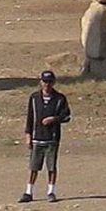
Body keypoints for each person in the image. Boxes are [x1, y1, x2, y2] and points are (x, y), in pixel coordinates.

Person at [20, 69, 72, 202]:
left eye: (49, 82)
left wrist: (54, 119)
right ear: (40, 82)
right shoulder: (34, 98)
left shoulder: (60, 99)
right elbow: (30, 117)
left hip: (52, 138)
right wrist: (28, 134)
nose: (47, 85)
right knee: (33, 166)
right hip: (37, 137)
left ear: (53, 82)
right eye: (44, 81)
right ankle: (28, 192)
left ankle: (51, 191)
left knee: (51, 166)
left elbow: (66, 116)